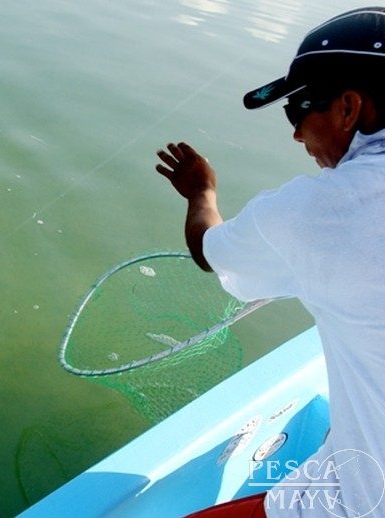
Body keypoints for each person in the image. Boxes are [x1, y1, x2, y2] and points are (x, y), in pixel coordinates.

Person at [155, 7, 385, 517]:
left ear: (349, 108)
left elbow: (208, 249)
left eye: (297, 111)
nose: (296, 135)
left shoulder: (323, 210)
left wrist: (201, 192)